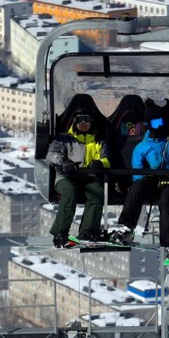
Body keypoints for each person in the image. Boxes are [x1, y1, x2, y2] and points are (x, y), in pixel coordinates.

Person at [110, 110, 169, 260]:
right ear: (148, 125)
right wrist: (149, 177)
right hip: (152, 180)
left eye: (161, 122)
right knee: (136, 188)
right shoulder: (143, 146)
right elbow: (137, 172)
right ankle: (127, 227)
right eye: (155, 123)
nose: (159, 126)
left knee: (166, 201)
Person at [46, 105, 109, 247]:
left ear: (92, 121)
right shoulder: (65, 139)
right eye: (80, 120)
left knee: (97, 192)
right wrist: (63, 161)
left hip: (89, 178)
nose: (83, 124)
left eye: (86, 120)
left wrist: (100, 163)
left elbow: (106, 159)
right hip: (67, 177)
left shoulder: (98, 141)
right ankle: (60, 233)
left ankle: (88, 232)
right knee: (69, 193)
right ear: (74, 121)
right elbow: (51, 154)